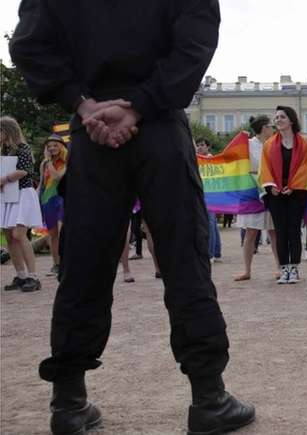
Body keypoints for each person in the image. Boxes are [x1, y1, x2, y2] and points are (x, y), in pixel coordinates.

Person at [9, 1, 255, 433]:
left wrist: (84, 106)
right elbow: (196, 41)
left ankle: (68, 400)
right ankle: (208, 395)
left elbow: (30, 45)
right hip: (159, 128)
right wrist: (141, 105)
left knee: (83, 264)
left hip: (92, 129)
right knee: (183, 259)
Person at [259, 106, 307, 284]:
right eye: (277, 117)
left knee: (294, 231)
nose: (278, 120)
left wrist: (294, 186)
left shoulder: (304, 143)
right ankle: (283, 269)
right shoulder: (269, 145)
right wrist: (271, 186)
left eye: (282, 117)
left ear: (291, 120)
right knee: (280, 232)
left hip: (296, 193)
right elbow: (264, 168)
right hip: (276, 194)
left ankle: (294, 268)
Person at [1, 116, 43, 292]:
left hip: (23, 194)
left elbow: (25, 170)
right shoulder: (4, 150)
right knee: (9, 235)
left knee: (19, 234)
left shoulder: (22, 148)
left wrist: (4, 179)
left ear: (7, 130)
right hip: (8, 195)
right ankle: (21, 275)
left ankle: (33, 277)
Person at [235, 114, 279, 281]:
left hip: (269, 190)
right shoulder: (247, 145)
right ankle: (247, 270)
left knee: (273, 232)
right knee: (251, 232)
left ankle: (279, 267)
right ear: (263, 128)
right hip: (252, 191)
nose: (273, 129)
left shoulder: (274, 144)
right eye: (270, 126)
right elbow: (235, 159)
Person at [38, 134, 67, 277]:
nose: (52, 148)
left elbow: (57, 177)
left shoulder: (67, 160)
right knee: (52, 234)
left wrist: (49, 161)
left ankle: (67, 262)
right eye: (49, 146)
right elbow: (42, 184)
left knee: (63, 232)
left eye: (55, 145)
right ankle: (56, 264)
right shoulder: (44, 164)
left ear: (61, 146)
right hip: (47, 200)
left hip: (62, 199)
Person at [195, 138, 223, 264]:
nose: (199, 147)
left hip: (210, 195)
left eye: (202, 145)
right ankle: (216, 252)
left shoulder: (210, 160)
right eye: (198, 145)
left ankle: (210, 253)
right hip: (204, 193)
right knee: (213, 223)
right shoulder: (198, 159)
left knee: (210, 223)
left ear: (208, 147)